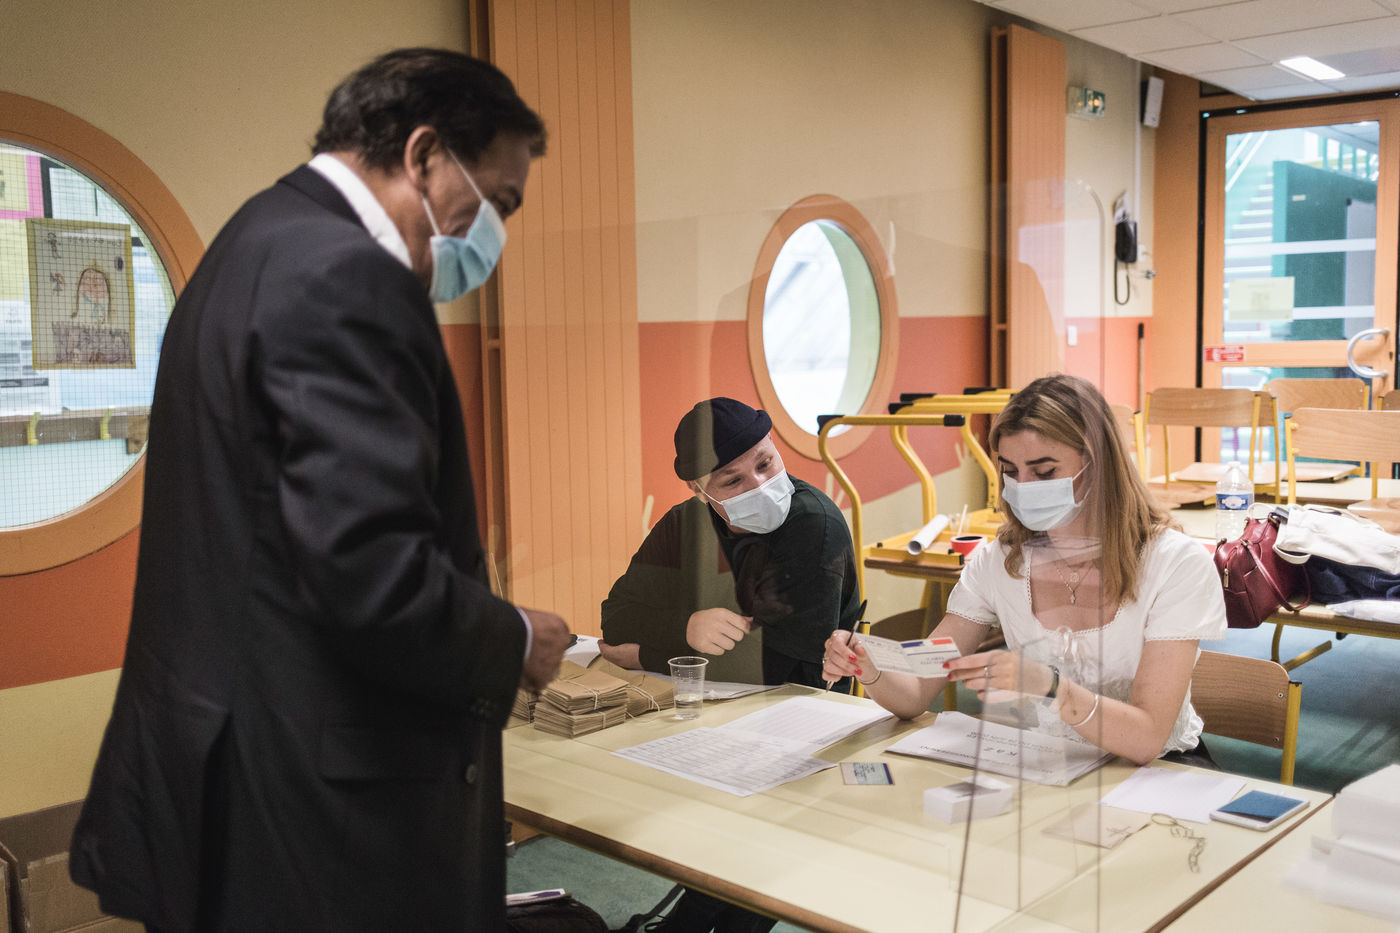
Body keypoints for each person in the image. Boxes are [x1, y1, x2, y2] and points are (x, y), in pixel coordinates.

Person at [69, 49, 571, 933]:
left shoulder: (251, 241)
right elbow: (371, 574)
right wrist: (513, 636)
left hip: (229, 762)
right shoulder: (349, 277)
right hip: (320, 810)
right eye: (497, 201)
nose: (493, 231)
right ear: (424, 155)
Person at [822, 374, 1226, 766]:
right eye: (1010, 471)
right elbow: (916, 690)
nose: (1023, 486)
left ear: (1098, 465)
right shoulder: (998, 562)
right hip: (1051, 764)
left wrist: (1049, 686)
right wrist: (870, 667)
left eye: (1044, 472)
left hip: (1160, 769)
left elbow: (1146, 738)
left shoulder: (1176, 564)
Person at [600, 397, 861, 689]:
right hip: (707, 696)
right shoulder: (683, 524)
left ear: (773, 443)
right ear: (698, 490)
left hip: (800, 701)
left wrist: (646, 657)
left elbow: (779, 666)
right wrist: (686, 628)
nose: (759, 486)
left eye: (765, 463)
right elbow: (616, 617)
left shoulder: (814, 524)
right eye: (733, 481)